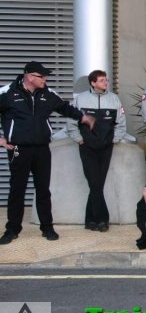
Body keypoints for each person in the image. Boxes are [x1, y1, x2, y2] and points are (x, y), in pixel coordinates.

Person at [0, 61, 96, 244]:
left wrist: (83, 117)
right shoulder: (7, 93)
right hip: (19, 148)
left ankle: (47, 227)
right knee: (16, 190)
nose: (45, 79)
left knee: (43, 190)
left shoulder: (48, 93)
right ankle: (12, 229)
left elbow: (64, 108)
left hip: (42, 148)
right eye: (41, 76)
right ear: (29, 76)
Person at [67, 69, 128, 232]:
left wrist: (113, 140)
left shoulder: (114, 99)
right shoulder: (80, 99)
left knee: (97, 184)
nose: (105, 83)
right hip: (87, 148)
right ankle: (102, 219)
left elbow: (121, 123)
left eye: (106, 80)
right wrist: (79, 139)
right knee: (95, 182)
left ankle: (90, 220)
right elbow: (71, 123)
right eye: (102, 80)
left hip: (106, 148)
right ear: (93, 83)